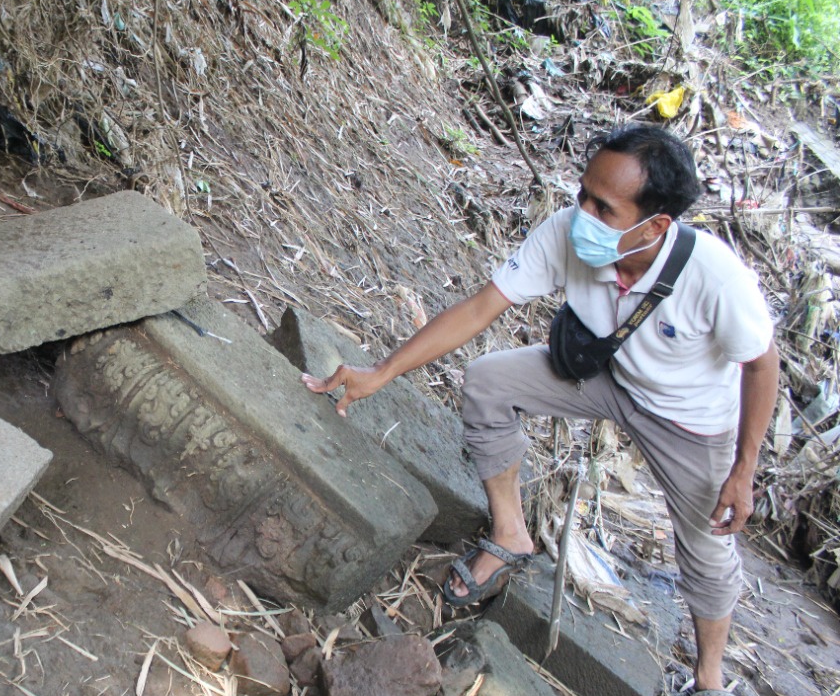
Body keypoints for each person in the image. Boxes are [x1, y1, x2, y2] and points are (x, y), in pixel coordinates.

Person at [302, 124, 777, 696]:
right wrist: (382, 371)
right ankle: (511, 535)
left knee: (706, 545)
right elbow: (481, 307)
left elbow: (760, 365)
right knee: (488, 382)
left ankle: (709, 679)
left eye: (603, 207)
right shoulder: (567, 234)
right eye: (582, 194)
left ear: (655, 225)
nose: (581, 213)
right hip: (608, 377)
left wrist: (744, 468)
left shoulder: (717, 278)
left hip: (688, 422)